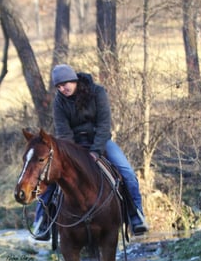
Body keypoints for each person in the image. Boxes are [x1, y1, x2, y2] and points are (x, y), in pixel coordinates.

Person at [32, 64, 149, 240]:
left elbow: (104, 124)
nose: (63, 89)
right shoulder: (59, 101)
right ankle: (42, 222)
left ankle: (136, 217)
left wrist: (96, 151)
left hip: (100, 141)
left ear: (74, 80)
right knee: (50, 174)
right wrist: (70, 158)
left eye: (65, 84)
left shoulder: (98, 92)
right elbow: (63, 132)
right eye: (59, 86)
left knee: (127, 173)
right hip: (73, 145)